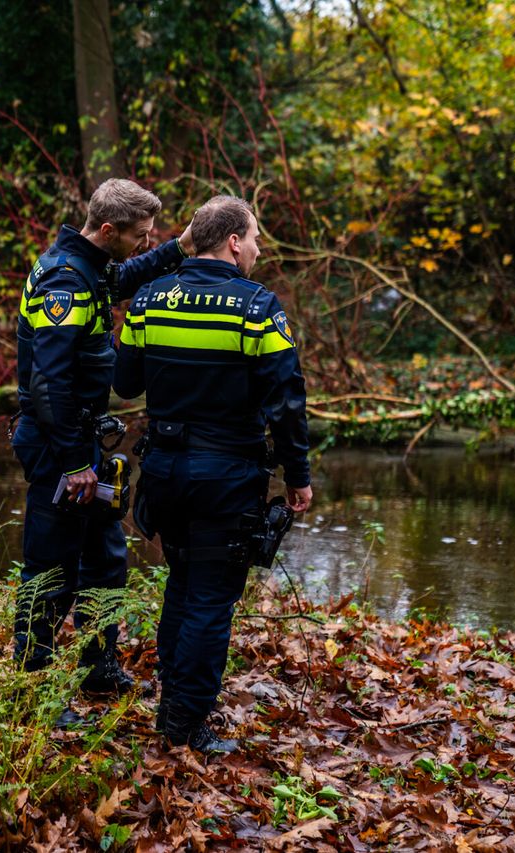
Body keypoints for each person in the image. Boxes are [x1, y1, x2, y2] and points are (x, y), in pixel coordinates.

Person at [113, 194, 313, 753]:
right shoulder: (257, 308)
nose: (258, 250)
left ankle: (172, 708)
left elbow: (125, 383)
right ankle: (185, 723)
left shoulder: (150, 299)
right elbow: (287, 402)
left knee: (183, 584)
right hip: (225, 477)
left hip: (164, 472)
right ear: (232, 241)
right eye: (255, 239)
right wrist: (298, 475)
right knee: (208, 597)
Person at [12, 178, 191, 698]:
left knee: (106, 561)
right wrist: (73, 464)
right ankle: (33, 690)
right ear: (109, 230)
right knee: (51, 571)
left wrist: (179, 247)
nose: (145, 242)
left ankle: (97, 669)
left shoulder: (89, 266)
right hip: (57, 444)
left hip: (82, 438)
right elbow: (48, 384)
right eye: (140, 234)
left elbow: (126, 275)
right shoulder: (64, 283)